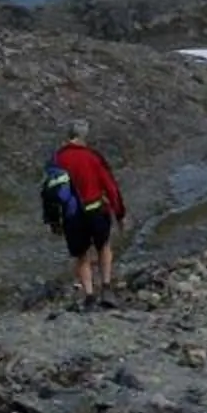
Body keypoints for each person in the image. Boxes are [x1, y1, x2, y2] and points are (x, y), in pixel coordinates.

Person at [50, 123, 129, 308]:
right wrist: (120, 214)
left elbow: (51, 192)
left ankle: (89, 295)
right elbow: (110, 186)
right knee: (103, 247)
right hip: (97, 211)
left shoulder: (57, 160)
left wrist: (53, 220)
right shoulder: (93, 157)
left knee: (81, 255)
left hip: (72, 216)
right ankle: (107, 287)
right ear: (84, 137)